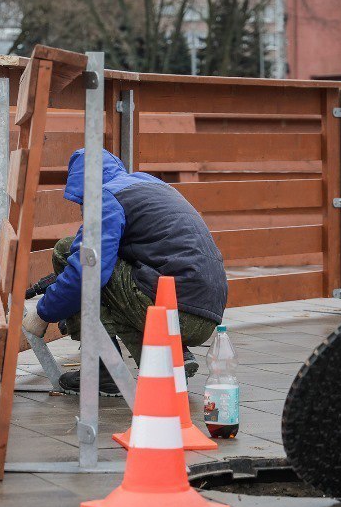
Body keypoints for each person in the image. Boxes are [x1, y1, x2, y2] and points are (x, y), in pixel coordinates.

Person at [22, 148, 227, 395]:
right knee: (113, 278)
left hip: (177, 311)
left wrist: (44, 313)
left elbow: (87, 271)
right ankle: (170, 361)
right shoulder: (148, 185)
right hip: (207, 313)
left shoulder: (106, 197)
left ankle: (101, 371)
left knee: (70, 253)